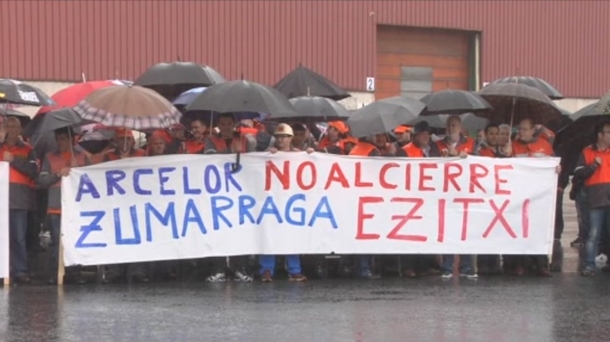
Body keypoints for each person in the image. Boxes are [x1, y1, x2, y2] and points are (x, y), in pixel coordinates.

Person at [204, 113, 256, 282]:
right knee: (218, 230)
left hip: (241, 191)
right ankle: (218, 268)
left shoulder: (245, 140)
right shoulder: (211, 140)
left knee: (240, 230)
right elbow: (209, 159)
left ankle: (239, 267)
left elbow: (255, 162)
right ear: (218, 124)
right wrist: (230, 152)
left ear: (234, 124)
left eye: (228, 124)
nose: (225, 127)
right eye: (222, 124)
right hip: (218, 192)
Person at [260, 123, 313, 282]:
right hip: (272, 200)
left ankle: (294, 269)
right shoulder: (270, 154)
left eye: (284, 137)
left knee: (291, 234)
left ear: (290, 138)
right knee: (269, 234)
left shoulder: (299, 155)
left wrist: (310, 155)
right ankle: (267, 269)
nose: (281, 140)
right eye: (278, 137)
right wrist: (268, 155)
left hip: (292, 200)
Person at [37, 127, 90, 285]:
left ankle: (75, 272)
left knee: (76, 240)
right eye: (57, 138)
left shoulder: (81, 157)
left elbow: (91, 180)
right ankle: (57, 272)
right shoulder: (50, 157)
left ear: (71, 139)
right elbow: (42, 180)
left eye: (63, 138)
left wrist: (78, 170)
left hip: (76, 206)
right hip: (56, 205)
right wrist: (58, 173)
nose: (60, 142)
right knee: (57, 242)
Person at [510, 118, 558, 277]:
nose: (521, 132)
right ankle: (520, 264)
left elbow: (554, 163)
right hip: (519, 195)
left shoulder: (545, 146)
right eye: (519, 129)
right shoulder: (513, 146)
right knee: (519, 230)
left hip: (539, 197)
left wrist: (557, 168)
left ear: (532, 130)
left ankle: (541, 264)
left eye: (524, 129)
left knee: (538, 230)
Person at [433, 116, 476, 279]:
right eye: (449, 126)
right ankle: (447, 266)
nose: (452, 128)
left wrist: (459, 155)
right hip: (446, 193)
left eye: (454, 126)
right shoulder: (438, 144)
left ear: (461, 127)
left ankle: (466, 266)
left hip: (465, 193)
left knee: (465, 229)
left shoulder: (471, 143)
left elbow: (479, 161)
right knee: (448, 229)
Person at [0, 117, 38, 284]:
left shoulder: (28, 149)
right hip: (1, 199)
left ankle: (20, 270)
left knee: (19, 238)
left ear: (20, 129)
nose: (12, 130)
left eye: (15, 127)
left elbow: (33, 170)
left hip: (20, 200)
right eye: (8, 126)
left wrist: (13, 161)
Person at [574, 121, 610, 277]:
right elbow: (578, 172)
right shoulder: (588, 151)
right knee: (593, 234)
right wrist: (594, 166)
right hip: (595, 197)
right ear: (600, 135)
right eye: (608, 132)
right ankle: (589, 265)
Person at [476, 123, 507, 275]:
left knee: (497, 230)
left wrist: (508, 157)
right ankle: (483, 263)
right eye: (491, 134)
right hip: (485, 197)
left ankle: (495, 263)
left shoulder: (504, 153)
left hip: (500, 198)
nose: (494, 136)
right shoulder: (481, 152)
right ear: (486, 135)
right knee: (485, 230)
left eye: (497, 133)